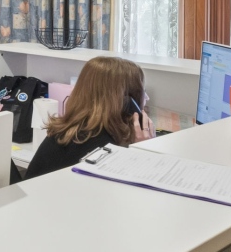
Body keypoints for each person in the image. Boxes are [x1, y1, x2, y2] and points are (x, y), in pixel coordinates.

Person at [25, 56, 154, 180]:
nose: (146, 98)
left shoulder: (75, 131)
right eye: (143, 91)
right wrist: (143, 151)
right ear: (126, 101)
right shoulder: (101, 146)